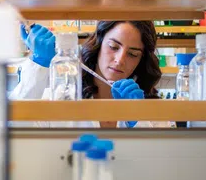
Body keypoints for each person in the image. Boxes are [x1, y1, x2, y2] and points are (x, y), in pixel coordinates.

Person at [10, 20, 172, 128]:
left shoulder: (155, 113)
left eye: (132, 54)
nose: (120, 60)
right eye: (114, 47)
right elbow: (11, 129)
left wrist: (137, 119)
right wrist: (38, 64)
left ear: (141, 61)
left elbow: (158, 166)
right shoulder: (61, 98)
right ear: (98, 45)